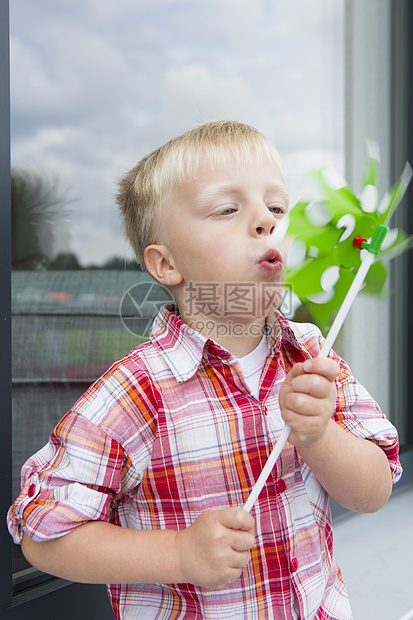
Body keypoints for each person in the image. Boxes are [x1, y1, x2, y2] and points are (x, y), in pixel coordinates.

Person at [8, 120, 401, 619]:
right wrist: (179, 555)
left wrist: (319, 436)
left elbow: (373, 491)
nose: (267, 222)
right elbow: (45, 535)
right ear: (166, 264)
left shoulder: (312, 356)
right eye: (228, 209)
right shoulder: (137, 392)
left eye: (277, 208)